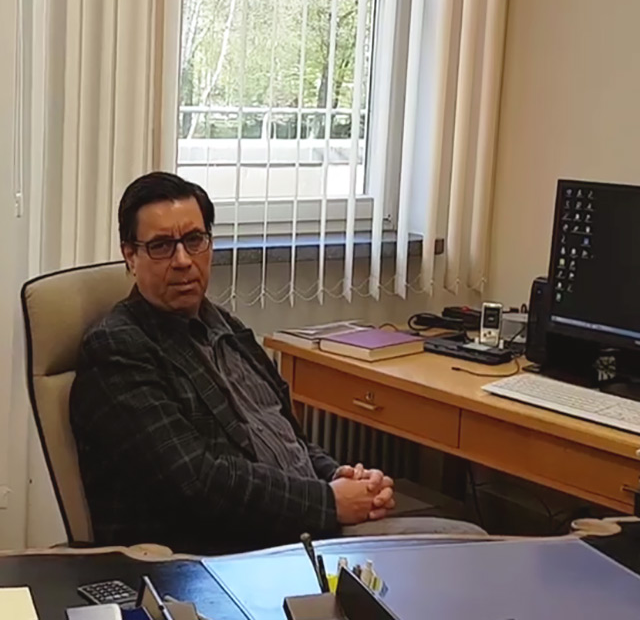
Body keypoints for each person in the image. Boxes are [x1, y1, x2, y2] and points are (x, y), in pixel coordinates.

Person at [70, 172, 482, 554]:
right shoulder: (119, 348)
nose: (183, 260)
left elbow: (285, 437)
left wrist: (337, 475)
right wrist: (329, 502)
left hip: (298, 525)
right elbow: (197, 481)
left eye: (195, 239)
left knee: (473, 549)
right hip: (227, 552)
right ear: (130, 255)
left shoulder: (223, 327)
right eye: (161, 246)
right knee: (466, 550)